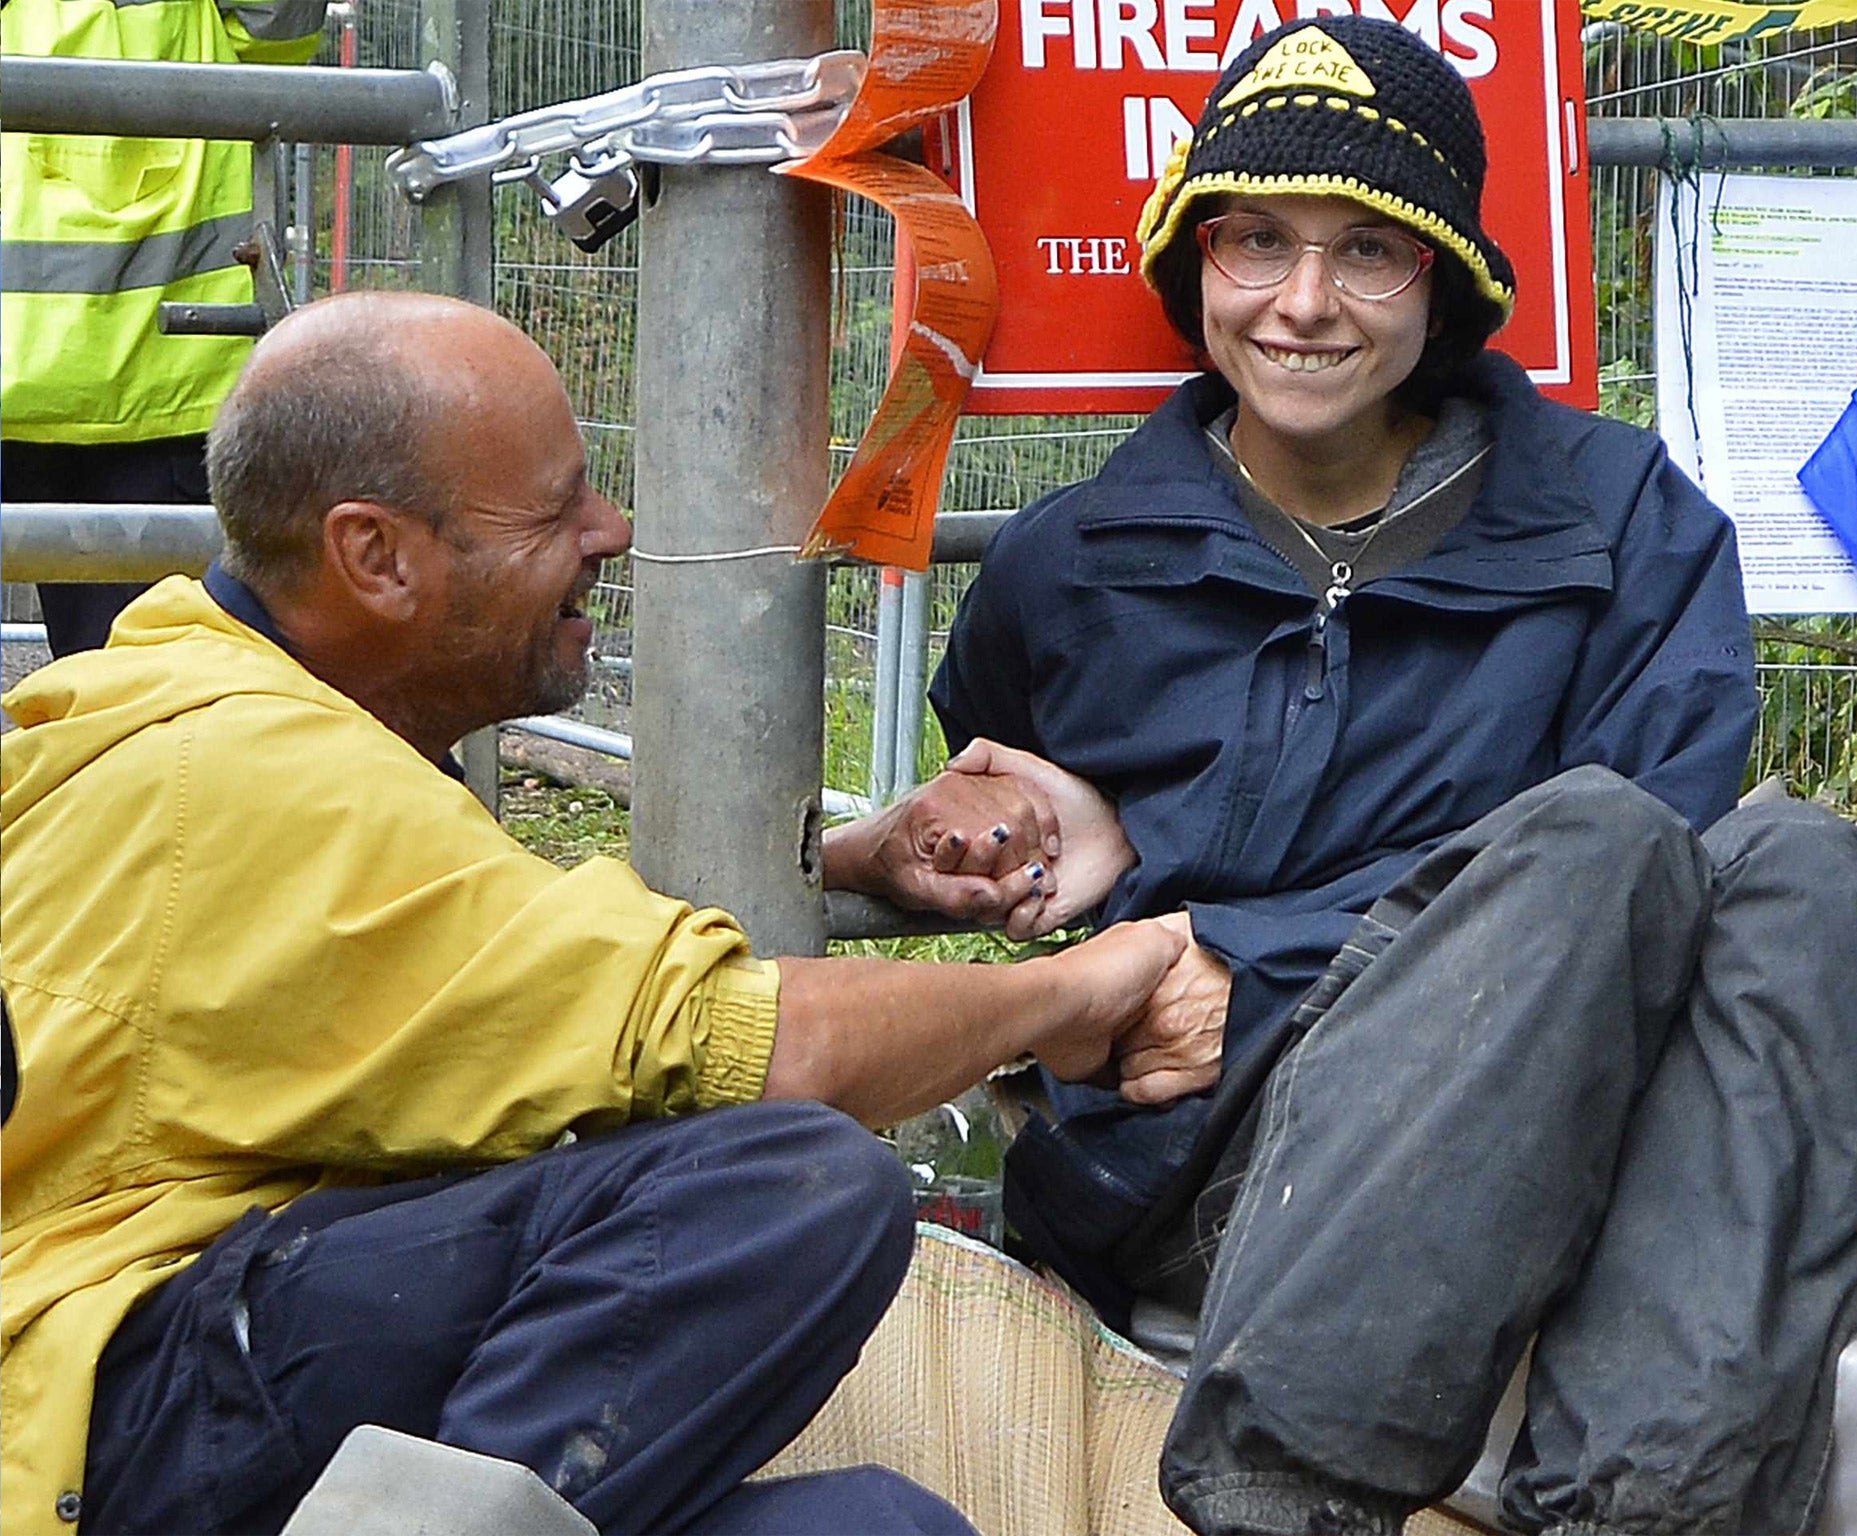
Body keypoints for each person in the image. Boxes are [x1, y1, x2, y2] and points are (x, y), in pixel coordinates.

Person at [873, 19, 1857, 1536]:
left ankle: (1637, 1514)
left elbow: (1655, 862)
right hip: (1241, 1164)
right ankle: (1290, 1487)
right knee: (1626, 843)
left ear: (1445, 275)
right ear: (1192, 256)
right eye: (1255, 240)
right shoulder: (1069, 568)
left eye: (1367, 252)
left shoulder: (1616, 519)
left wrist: (1242, 949)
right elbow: (1023, 870)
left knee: (1797, 875)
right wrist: (910, 857)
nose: (1303, 304)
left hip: (1574, 1084)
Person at [0, 290, 1198, 1536]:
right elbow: (765, 1053)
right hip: (101, 1409)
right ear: (376, 556)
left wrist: (840, 863)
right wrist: (1081, 989)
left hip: (200, 1359)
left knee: (879, 1527)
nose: (611, 527)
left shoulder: (197, 694)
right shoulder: (275, 784)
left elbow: (489, 959)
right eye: (555, 503)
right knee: (786, 1186)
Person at [1, 0, 324, 657]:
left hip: (150, 392)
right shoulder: (188, 18)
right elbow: (280, 24)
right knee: (146, 701)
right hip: (159, 385)